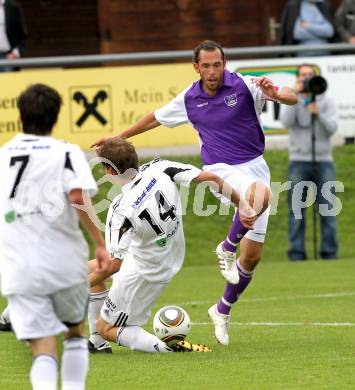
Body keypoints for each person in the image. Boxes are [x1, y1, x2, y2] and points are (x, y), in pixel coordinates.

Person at [92, 40, 298, 346]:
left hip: (255, 165)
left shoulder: (243, 83)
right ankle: (226, 247)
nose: (213, 71)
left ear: (225, 64)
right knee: (261, 195)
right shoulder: (190, 97)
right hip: (221, 169)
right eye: (207, 66)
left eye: (218, 65)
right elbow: (154, 118)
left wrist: (275, 94)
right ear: (196, 67)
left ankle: (222, 310)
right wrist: (117, 137)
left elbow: (291, 97)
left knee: (252, 257)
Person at [91, 139, 256, 353]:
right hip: (167, 255)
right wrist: (242, 205)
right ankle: (96, 345)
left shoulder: (120, 209)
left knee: (106, 328)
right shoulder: (160, 168)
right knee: (90, 269)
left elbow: (114, 266)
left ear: (109, 172)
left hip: (144, 273)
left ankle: (166, 348)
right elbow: (211, 177)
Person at [0, 83, 111, 390]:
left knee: (42, 349)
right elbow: (77, 196)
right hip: (63, 262)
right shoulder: (66, 153)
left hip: (18, 266)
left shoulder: (3, 155)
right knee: (74, 334)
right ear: (56, 116)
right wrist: (99, 243)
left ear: (20, 116)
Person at [279, 64, 338, 261]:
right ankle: (297, 253)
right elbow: (286, 122)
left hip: (323, 160)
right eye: (303, 76)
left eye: (310, 75)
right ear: (297, 78)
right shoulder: (292, 98)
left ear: (315, 77)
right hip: (298, 160)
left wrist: (317, 113)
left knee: (328, 209)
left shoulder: (327, 100)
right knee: (297, 210)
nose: (306, 78)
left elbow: (332, 129)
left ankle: (329, 253)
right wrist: (295, 96)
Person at [0, 0, 27, 71]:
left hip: (8, 57)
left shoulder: (13, 7)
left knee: (7, 81)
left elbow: (22, 35)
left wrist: (15, 53)